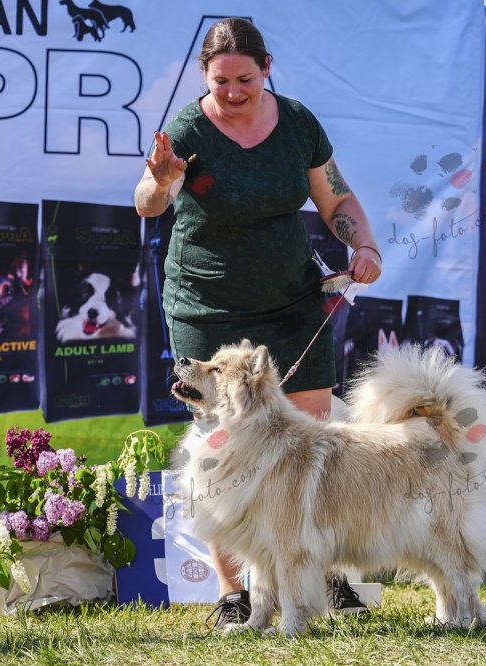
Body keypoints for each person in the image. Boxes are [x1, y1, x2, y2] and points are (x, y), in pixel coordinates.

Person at [133, 18, 382, 628]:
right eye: (221, 81)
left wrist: (363, 244)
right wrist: (161, 183)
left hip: (292, 300)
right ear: (204, 74)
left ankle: (321, 575)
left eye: (245, 79)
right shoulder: (187, 130)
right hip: (207, 305)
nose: (233, 92)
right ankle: (234, 592)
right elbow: (147, 202)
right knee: (219, 448)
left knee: (314, 439)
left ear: (267, 68)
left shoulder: (296, 122)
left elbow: (336, 198)